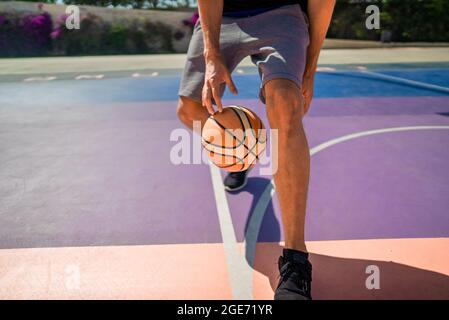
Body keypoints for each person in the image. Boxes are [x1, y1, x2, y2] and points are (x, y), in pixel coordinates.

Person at [177, 0, 335, 300]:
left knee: (286, 104)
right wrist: (211, 55)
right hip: (220, 16)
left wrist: (310, 67)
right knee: (189, 109)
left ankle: (295, 261)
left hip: (282, 13)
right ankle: (242, 158)